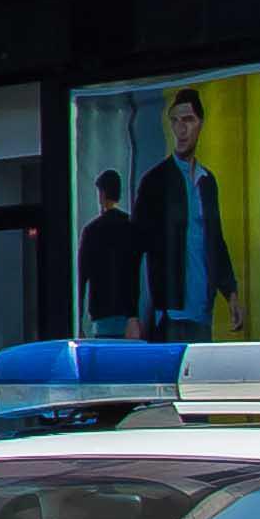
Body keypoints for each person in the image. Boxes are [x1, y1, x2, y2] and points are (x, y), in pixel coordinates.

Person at [136, 87, 242, 340]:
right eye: (175, 121)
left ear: (200, 124)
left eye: (188, 120)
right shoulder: (155, 180)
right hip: (171, 311)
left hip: (203, 310)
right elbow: (135, 246)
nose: (181, 129)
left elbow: (215, 241)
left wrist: (231, 294)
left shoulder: (207, 181)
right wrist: (132, 314)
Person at [79, 169, 147, 332]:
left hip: (102, 314)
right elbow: (137, 273)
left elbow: (81, 278)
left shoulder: (91, 230)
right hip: (129, 315)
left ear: (101, 194)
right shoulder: (132, 228)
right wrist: (134, 315)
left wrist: (78, 320)